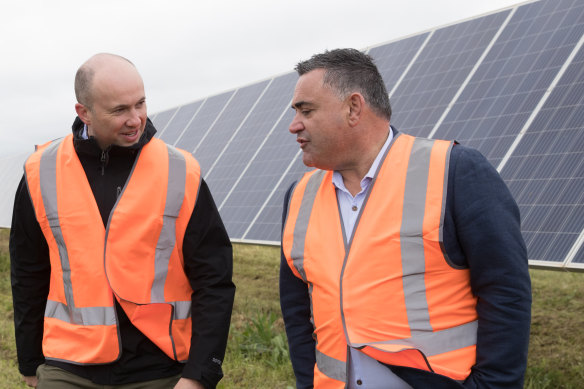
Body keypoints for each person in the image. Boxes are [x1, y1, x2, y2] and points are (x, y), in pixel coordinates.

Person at [280, 48, 531, 389]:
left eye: (306, 111)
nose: (294, 125)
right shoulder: (299, 195)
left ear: (354, 108)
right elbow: (297, 308)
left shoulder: (454, 171)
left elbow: (505, 291)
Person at [10, 53, 235, 389]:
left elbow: (214, 278)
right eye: (119, 110)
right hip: (68, 367)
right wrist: (30, 361)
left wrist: (199, 375)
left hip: (160, 367)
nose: (136, 119)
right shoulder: (40, 171)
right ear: (84, 112)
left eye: (140, 104)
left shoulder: (181, 171)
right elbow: (28, 272)